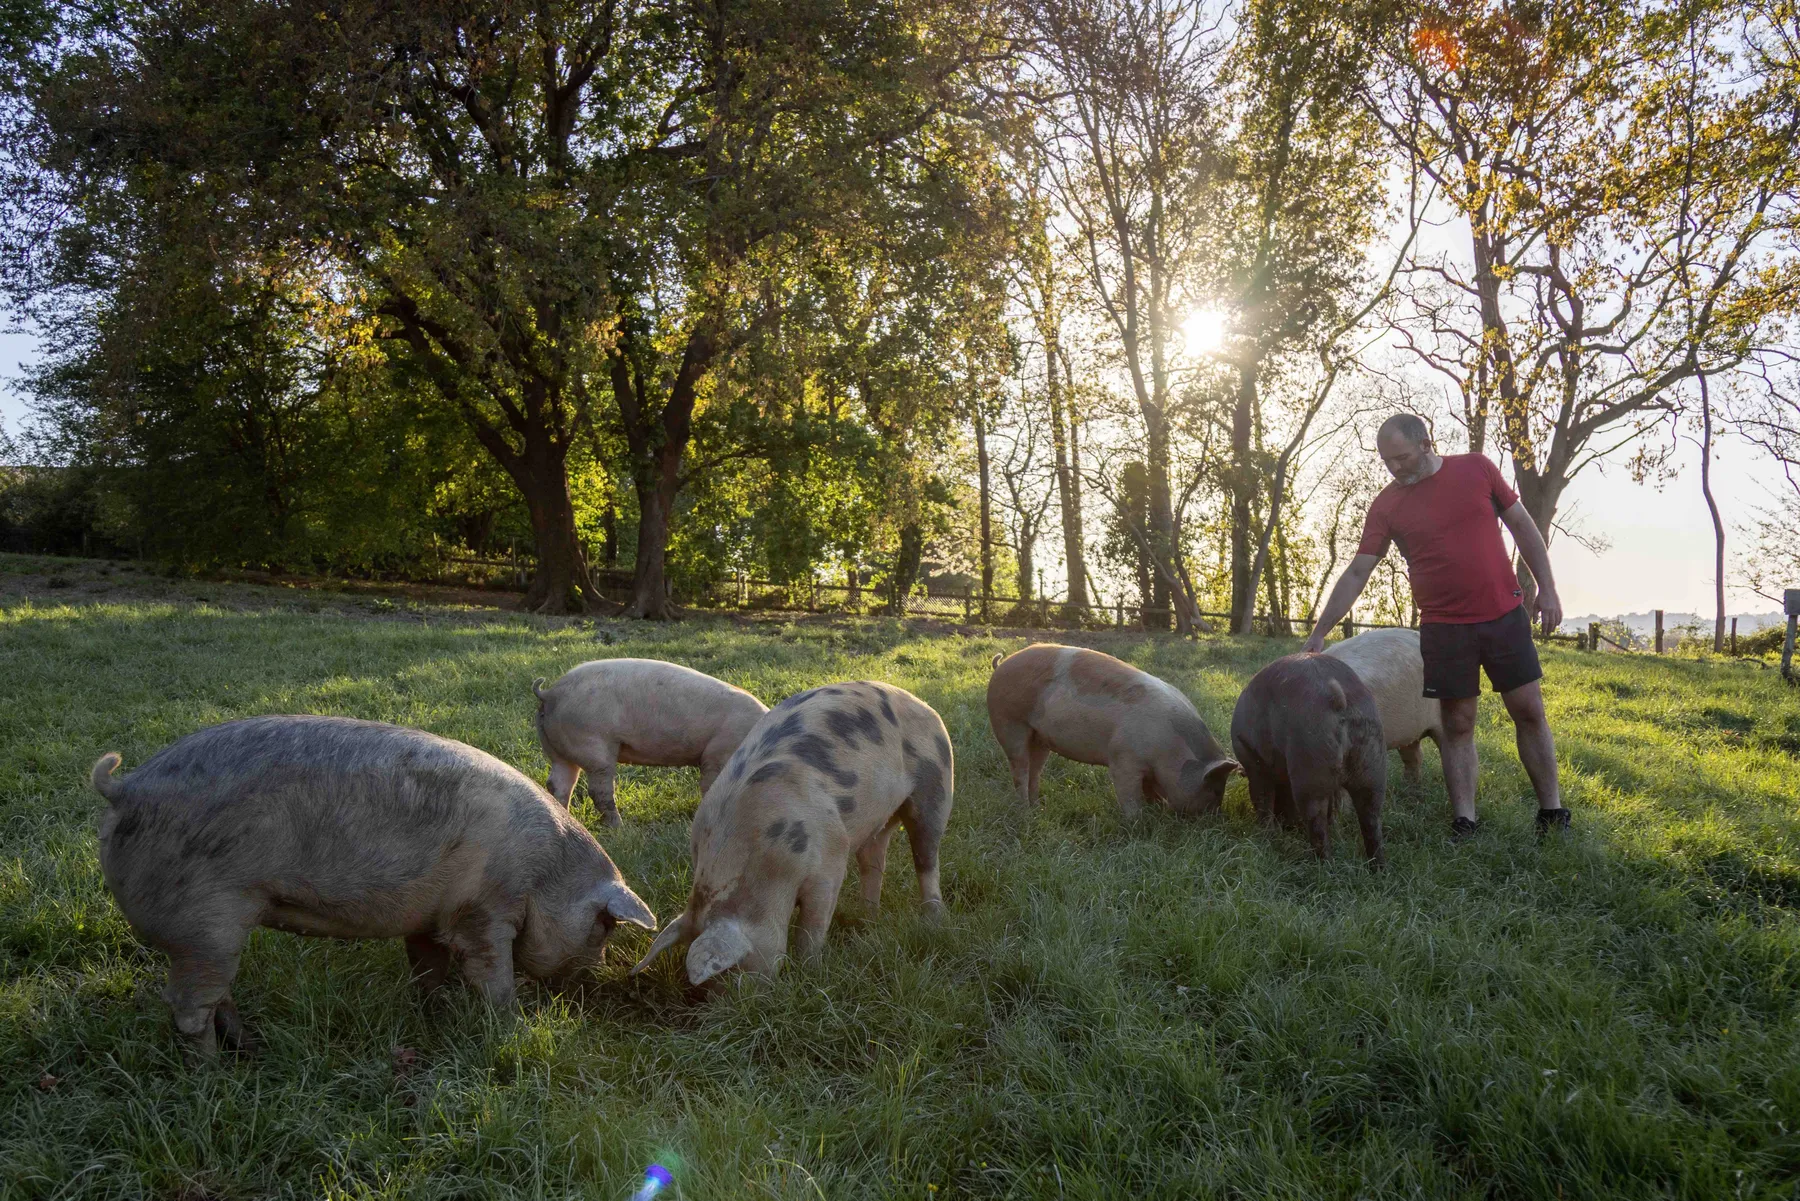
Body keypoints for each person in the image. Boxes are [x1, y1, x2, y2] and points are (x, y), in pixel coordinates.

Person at [1302, 414, 1569, 841]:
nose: (1395, 468)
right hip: (1445, 629)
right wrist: (1320, 631)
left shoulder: (1477, 468)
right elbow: (1357, 571)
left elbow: (1522, 526)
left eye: (1402, 457)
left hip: (1503, 615)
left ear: (1426, 444)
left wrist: (1547, 588)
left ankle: (1552, 812)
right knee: (1458, 724)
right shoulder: (1387, 505)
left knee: (1529, 711)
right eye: (1387, 461)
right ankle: (1465, 821)